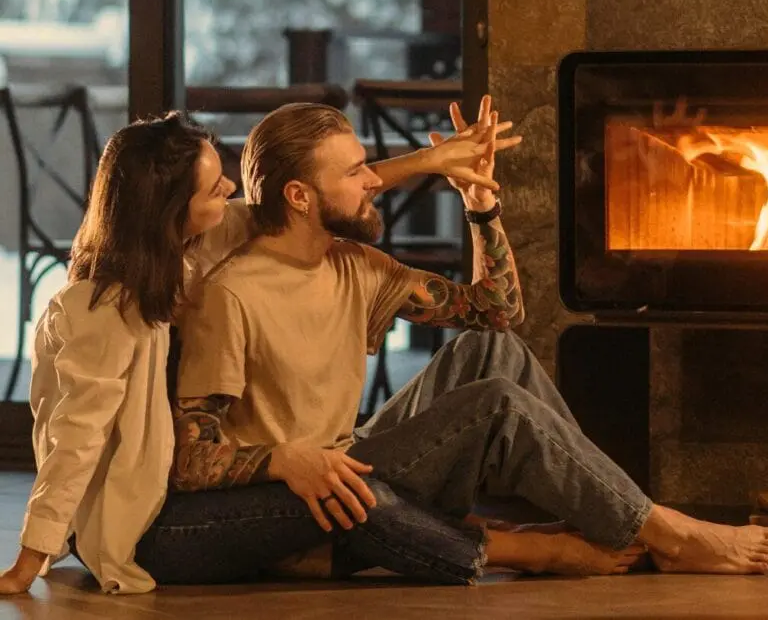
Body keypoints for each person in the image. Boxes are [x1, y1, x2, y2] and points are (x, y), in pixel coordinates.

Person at [0, 106, 630, 596]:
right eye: (216, 189)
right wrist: (33, 556)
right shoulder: (109, 306)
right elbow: (76, 438)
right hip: (158, 521)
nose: (231, 196)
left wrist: (460, 184)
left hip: (300, 465)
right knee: (358, 494)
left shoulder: (201, 249)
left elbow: (289, 205)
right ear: (173, 211)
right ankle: (539, 545)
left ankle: (609, 514)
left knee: (496, 359)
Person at [172, 95, 768, 582]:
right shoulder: (231, 295)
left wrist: (481, 205)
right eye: (356, 171)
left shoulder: (355, 264)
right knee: (494, 401)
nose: (374, 182)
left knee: (495, 353)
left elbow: (497, 313)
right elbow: (192, 459)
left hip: (355, 453)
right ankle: (668, 534)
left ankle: (614, 518)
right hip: (320, 500)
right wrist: (285, 460)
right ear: (300, 196)